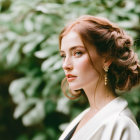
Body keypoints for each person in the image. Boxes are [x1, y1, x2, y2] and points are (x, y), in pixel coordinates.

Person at [58, 15, 140, 140]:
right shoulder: (84, 116)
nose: (66, 65)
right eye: (63, 55)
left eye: (77, 53)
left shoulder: (121, 124)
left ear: (106, 58)